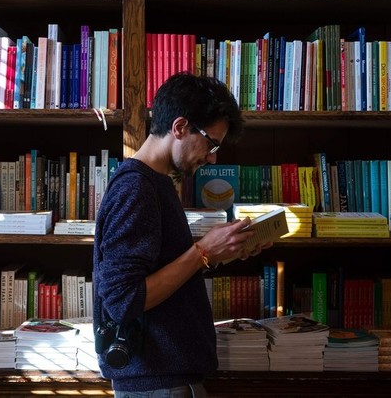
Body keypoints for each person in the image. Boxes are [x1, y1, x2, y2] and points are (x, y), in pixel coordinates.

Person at [93, 73, 271, 398]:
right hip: (159, 385)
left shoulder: (157, 182)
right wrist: (202, 251)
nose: (213, 157)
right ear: (179, 128)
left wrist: (219, 252)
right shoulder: (136, 188)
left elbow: (164, 270)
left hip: (165, 381)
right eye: (211, 143)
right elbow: (122, 300)